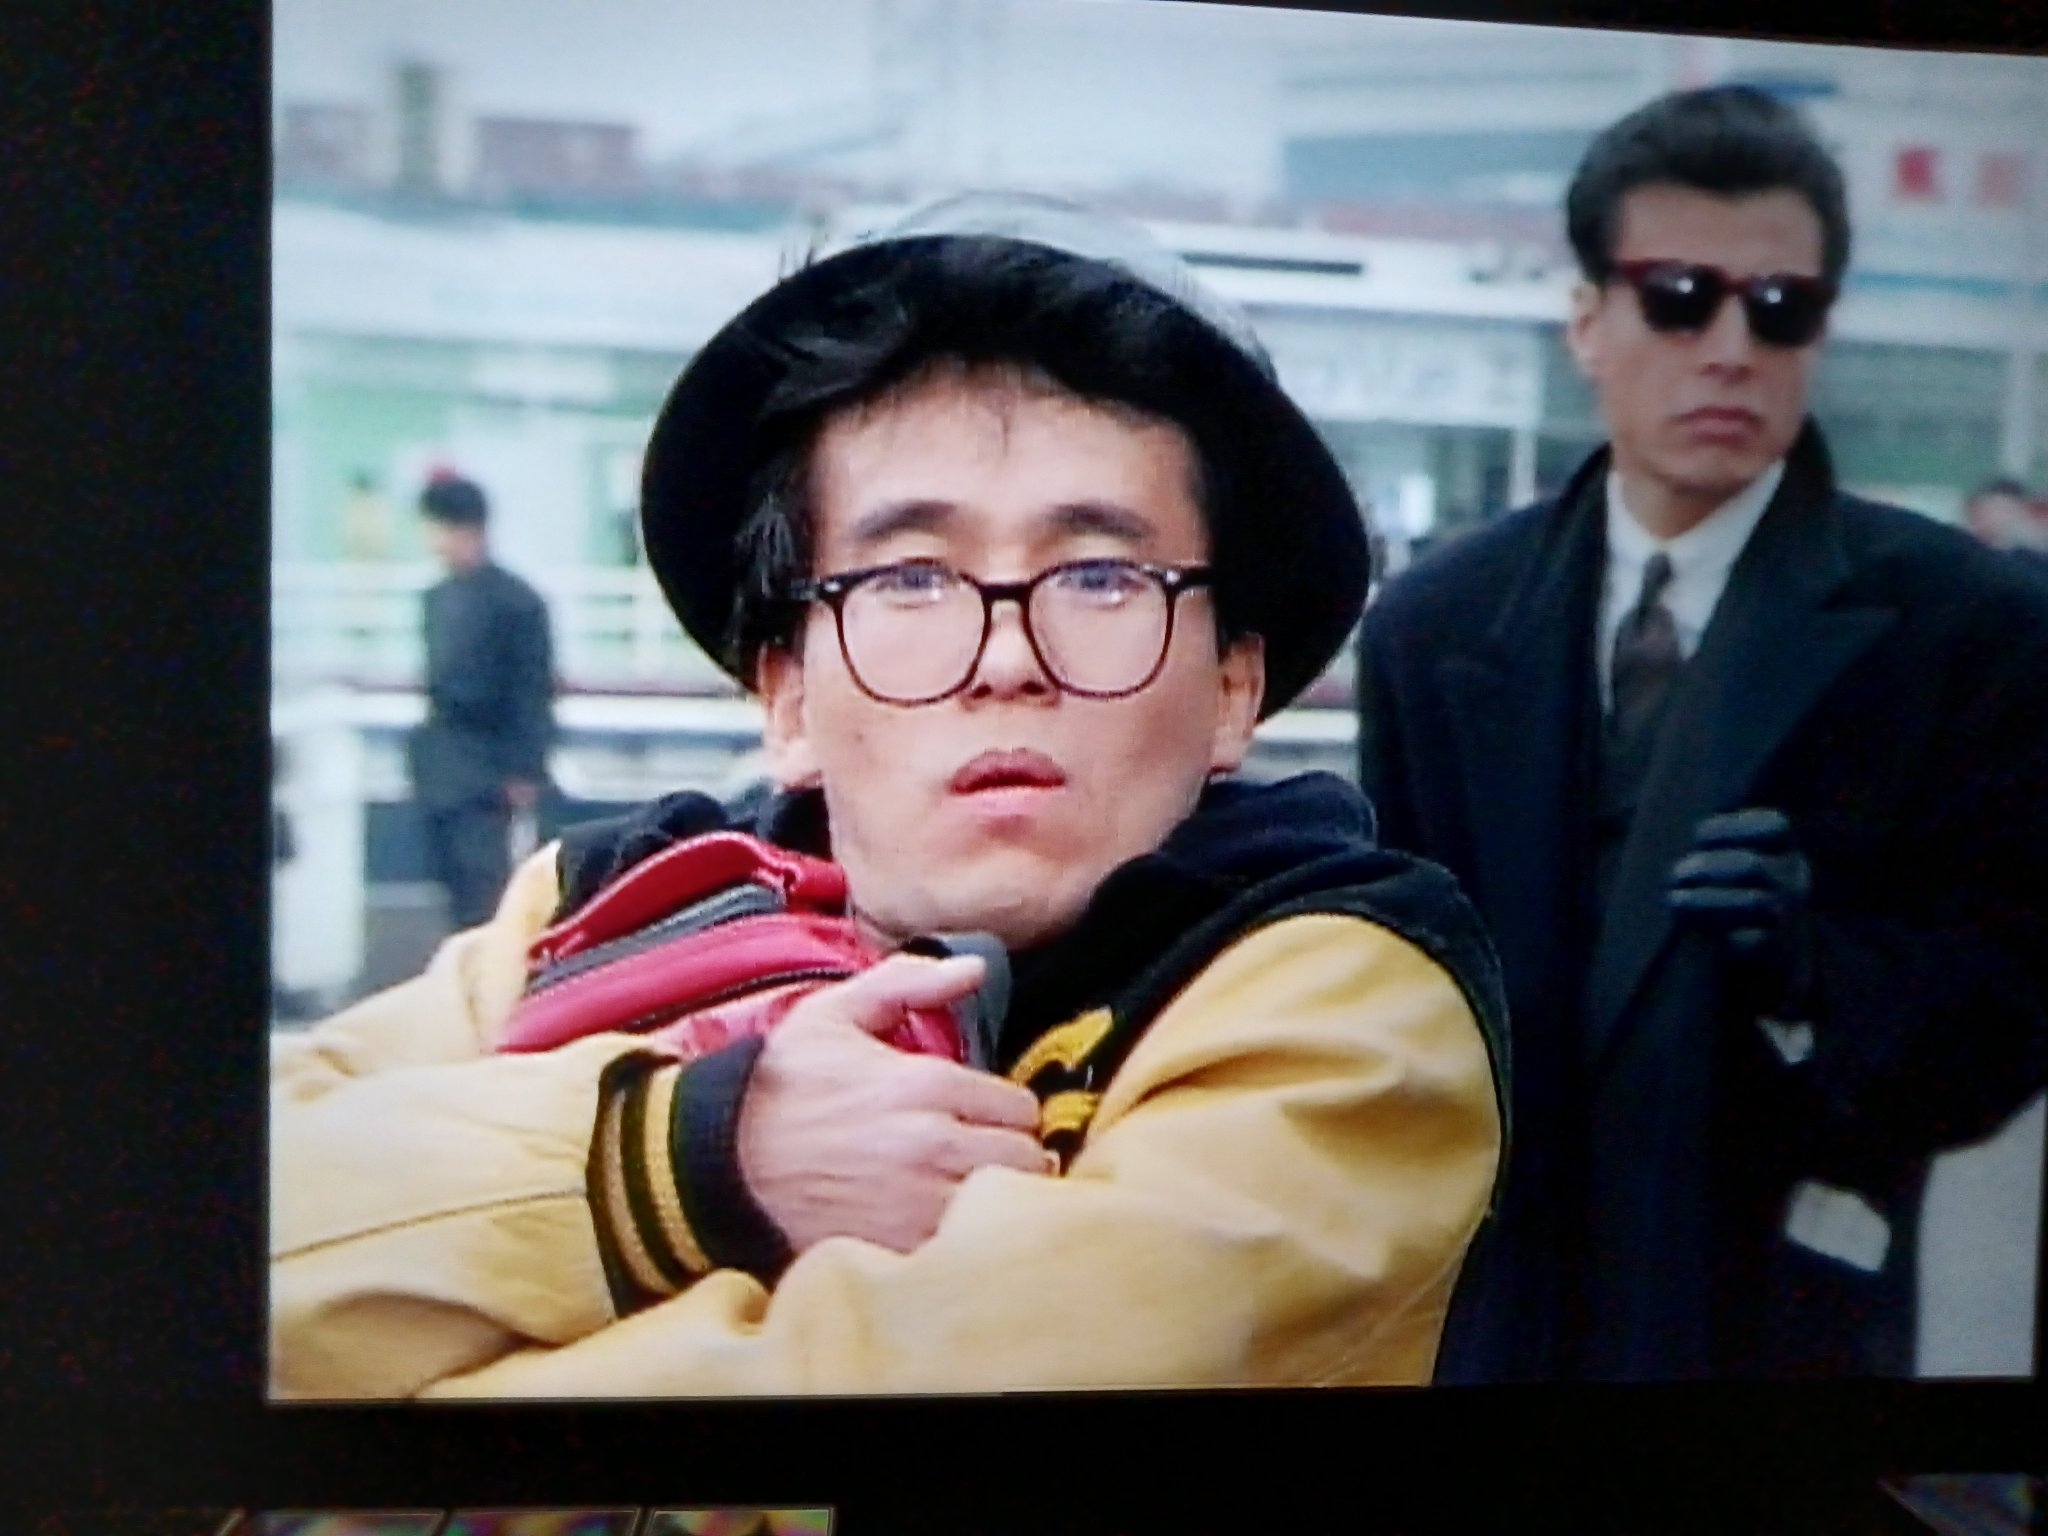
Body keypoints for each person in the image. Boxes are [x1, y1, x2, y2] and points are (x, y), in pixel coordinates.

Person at [269, 196, 1507, 1400]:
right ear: (788, 698)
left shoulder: (1340, 1004)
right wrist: (694, 1157)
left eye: (1100, 575)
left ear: (1232, 689)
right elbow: (201, 1231)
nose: (1007, 658)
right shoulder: (601, 910)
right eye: (910, 577)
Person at [1356, 86, 2048, 1381]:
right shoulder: (1432, 628)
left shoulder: (1967, 630)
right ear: (1587, 322)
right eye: (1678, 299)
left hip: (1781, 1325)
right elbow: (1392, 1003)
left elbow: (2009, 1015)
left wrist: (1819, 969)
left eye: (1779, 308)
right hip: (1493, 1324)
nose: (1730, 348)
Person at [405, 470, 558, 931]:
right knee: (452, 889)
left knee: (485, 892)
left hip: (489, 774)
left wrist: (525, 770)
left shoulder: (518, 602)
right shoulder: (436, 598)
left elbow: (532, 690)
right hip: (442, 770)